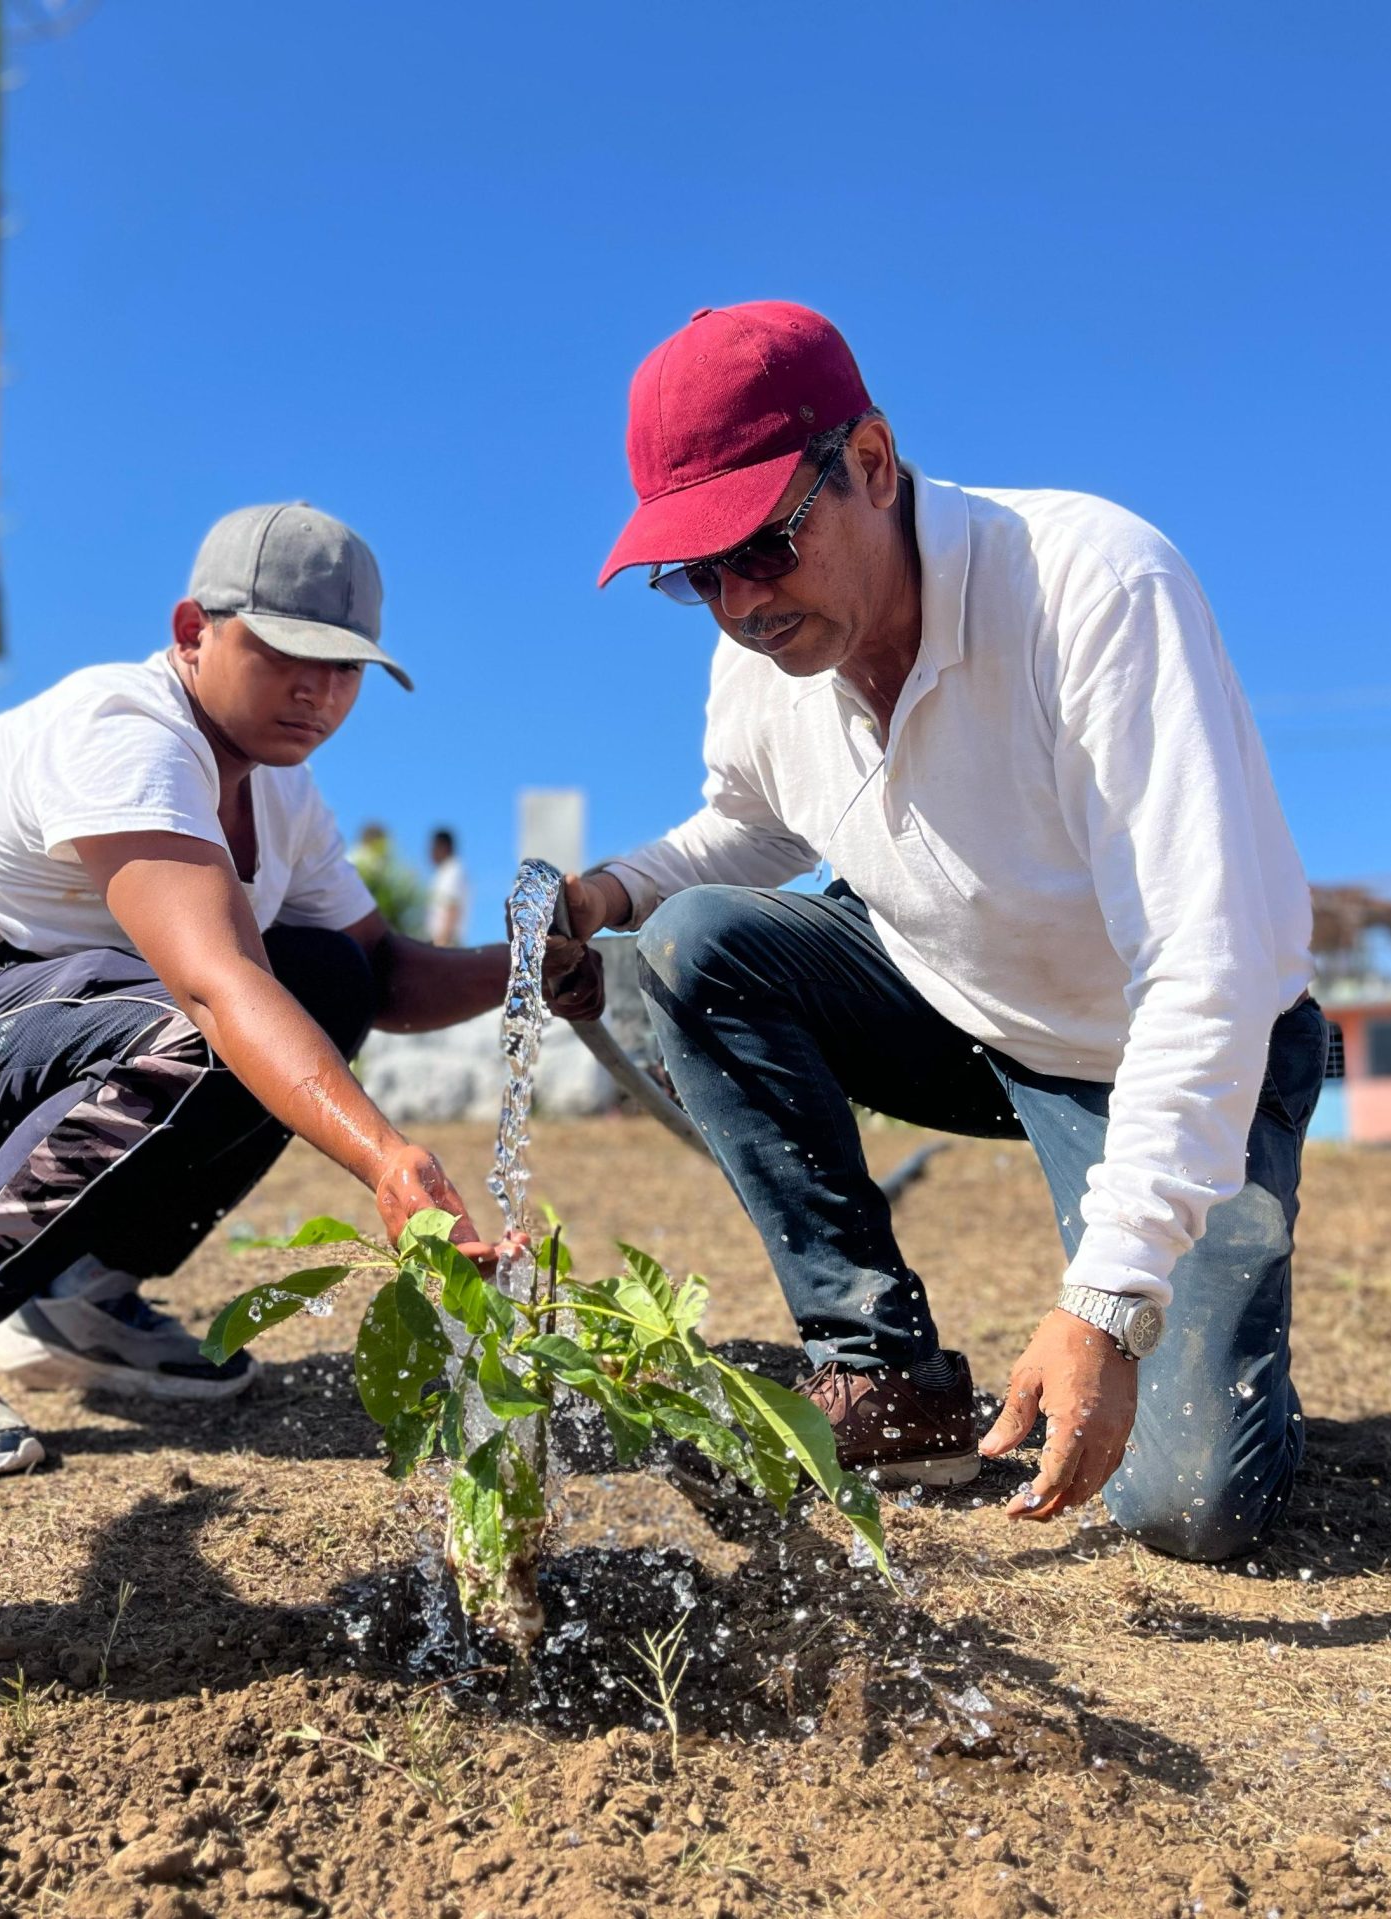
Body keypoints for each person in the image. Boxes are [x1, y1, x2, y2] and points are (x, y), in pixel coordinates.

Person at [557, 302, 1318, 1563]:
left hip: (1151, 1046)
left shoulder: (1094, 586)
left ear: (868, 460)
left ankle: (1239, 1381)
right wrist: (606, 893)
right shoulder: (764, 660)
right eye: (697, 574)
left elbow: (1206, 959)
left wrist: (1108, 1299)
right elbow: (750, 829)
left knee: (1187, 1507)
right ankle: (882, 1369)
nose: (739, 604)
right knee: (696, 942)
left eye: (760, 544)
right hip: (951, 1007)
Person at [0, 503, 595, 1480]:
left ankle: (76, 1295)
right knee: (202, 1024)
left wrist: (534, 963)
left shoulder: (282, 792)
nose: (317, 691)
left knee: (325, 974)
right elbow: (213, 985)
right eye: (287, 651)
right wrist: (387, 1161)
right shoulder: (126, 733)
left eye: (347, 667)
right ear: (193, 630)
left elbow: (387, 976)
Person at [426, 827, 468, 946]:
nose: (431, 853)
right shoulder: (443, 872)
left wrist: (441, 944)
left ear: (444, 847)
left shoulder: (452, 870)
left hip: (446, 943)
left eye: (433, 848)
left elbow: (452, 908)